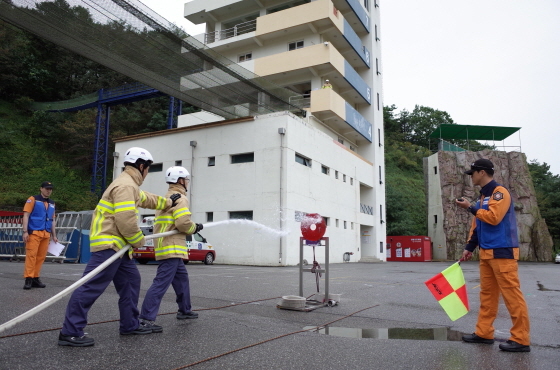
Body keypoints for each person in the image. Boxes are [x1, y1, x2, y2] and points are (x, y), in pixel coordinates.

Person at [58, 147, 181, 347]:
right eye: (148, 168)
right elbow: (126, 219)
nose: (147, 172)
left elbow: (146, 198)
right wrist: (139, 241)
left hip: (119, 247)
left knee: (132, 282)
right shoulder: (125, 186)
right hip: (109, 245)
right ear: (142, 167)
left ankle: (130, 325)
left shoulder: (129, 184)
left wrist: (167, 202)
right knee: (90, 287)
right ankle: (70, 331)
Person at [456, 158, 531, 352]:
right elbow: (478, 225)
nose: (471, 177)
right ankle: (484, 333)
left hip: (503, 251)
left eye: (472, 173)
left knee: (512, 296)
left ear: (482, 172)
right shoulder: (482, 198)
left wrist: (470, 208)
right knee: (487, 295)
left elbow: (494, 218)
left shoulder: (500, 193)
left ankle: (521, 339)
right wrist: (469, 247)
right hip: (487, 252)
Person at [138, 166, 203, 333]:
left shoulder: (166, 198)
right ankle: (146, 318)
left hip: (165, 246)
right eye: (186, 179)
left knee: (182, 279)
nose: (187, 182)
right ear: (180, 181)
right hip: (172, 247)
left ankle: (185, 310)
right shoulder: (180, 198)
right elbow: (182, 223)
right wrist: (194, 228)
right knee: (161, 283)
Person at [22, 181, 59, 290]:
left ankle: (35, 278)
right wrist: (25, 231)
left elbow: (52, 220)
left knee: (41, 257)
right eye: (47, 188)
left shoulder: (52, 203)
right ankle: (28, 278)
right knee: (31, 256)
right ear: (41, 189)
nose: (49, 191)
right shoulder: (33, 199)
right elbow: (26, 215)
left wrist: (54, 235)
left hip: (46, 234)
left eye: (50, 189)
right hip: (34, 232)